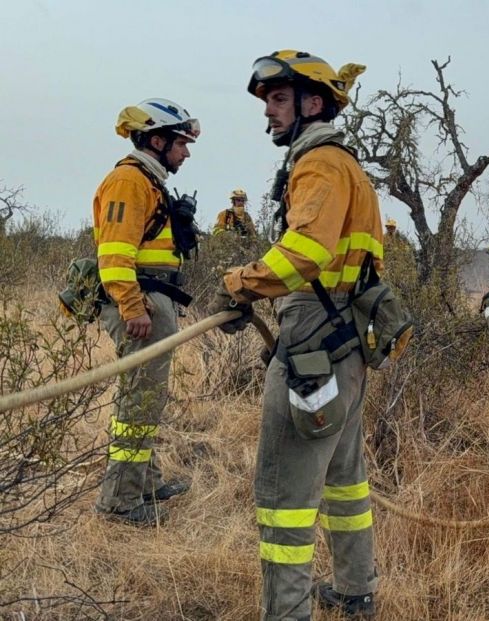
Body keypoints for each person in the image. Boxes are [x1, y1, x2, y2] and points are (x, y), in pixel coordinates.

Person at [207, 49, 377, 620]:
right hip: (347, 336)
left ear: (312, 102)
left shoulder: (320, 164)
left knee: (283, 496)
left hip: (312, 337)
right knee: (345, 478)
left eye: (278, 100)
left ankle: (287, 613)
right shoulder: (346, 164)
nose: (269, 115)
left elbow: (305, 253)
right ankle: (356, 592)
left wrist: (240, 282)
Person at [93, 98, 201, 526]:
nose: (186, 153)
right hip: (140, 303)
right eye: (181, 143)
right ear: (156, 140)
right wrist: (133, 306)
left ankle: (146, 482)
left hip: (154, 300)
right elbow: (115, 252)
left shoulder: (149, 181)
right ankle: (119, 503)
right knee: (138, 402)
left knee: (147, 397)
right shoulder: (128, 181)